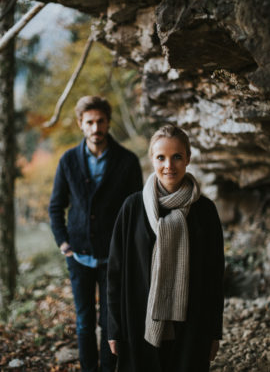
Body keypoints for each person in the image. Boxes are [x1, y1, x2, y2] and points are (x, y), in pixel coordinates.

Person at [107, 124, 224, 372]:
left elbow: (215, 277)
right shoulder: (132, 208)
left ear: (188, 159)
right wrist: (114, 327)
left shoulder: (205, 211)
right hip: (139, 324)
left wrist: (214, 333)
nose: (168, 165)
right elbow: (115, 272)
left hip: (192, 327)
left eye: (177, 157)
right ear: (152, 159)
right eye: (161, 157)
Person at [49, 95, 143, 372]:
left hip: (114, 255)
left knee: (111, 321)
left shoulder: (127, 161)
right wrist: (63, 243)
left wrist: (129, 250)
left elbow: (136, 210)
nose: (95, 127)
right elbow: (56, 206)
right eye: (89, 122)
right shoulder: (68, 160)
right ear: (81, 124)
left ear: (108, 122)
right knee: (84, 320)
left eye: (100, 121)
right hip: (77, 255)